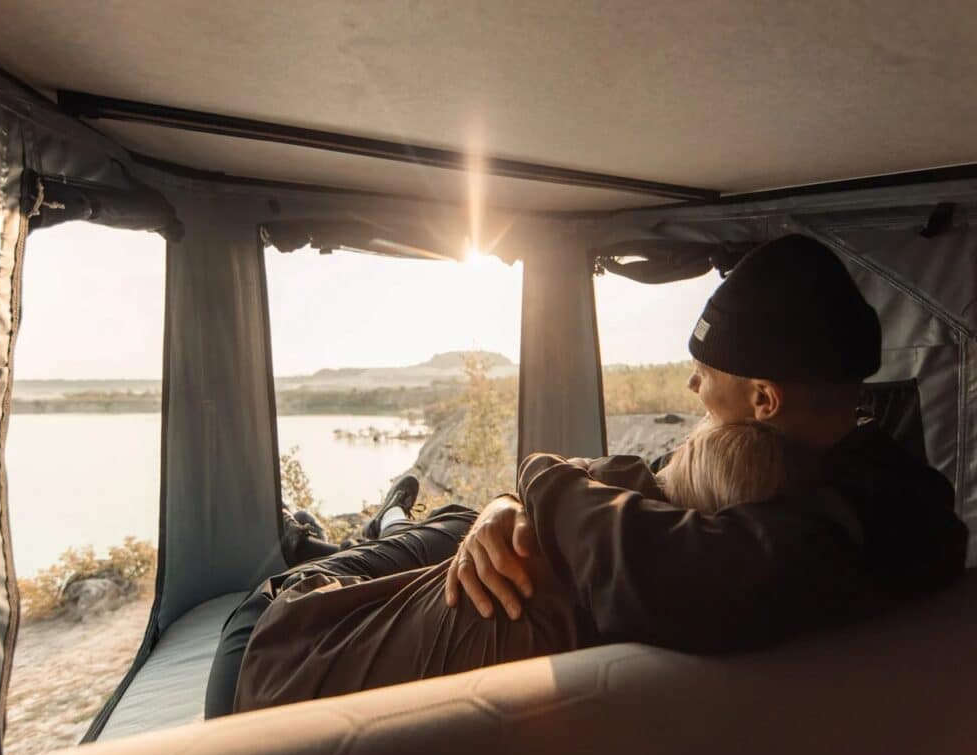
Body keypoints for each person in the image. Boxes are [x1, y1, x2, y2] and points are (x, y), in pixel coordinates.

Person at [204, 233, 967, 718]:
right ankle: (407, 524)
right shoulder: (812, 466)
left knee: (322, 573)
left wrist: (542, 483)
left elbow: (654, 546)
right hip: (389, 600)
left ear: (764, 398)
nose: (692, 392)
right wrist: (512, 500)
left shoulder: (840, 526)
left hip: (259, 645)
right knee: (461, 519)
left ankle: (354, 536)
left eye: (705, 376)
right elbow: (642, 481)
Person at [231, 418, 814, 712]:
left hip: (258, 642)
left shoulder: (565, 551)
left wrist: (513, 501)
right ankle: (386, 523)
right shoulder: (693, 599)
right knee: (469, 526)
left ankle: (374, 526)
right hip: (287, 664)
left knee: (459, 523)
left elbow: (559, 477)